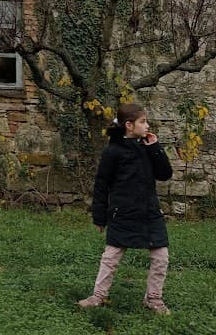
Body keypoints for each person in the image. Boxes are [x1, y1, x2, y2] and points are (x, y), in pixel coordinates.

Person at [78, 102, 173, 315]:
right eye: (143, 121)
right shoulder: (113, 152)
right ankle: (98, 296)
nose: (147, 125)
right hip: (123, 213)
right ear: (129, 125)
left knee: (161, 257)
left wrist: (155, 147)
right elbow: (101, 185)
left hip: (149, 212)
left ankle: (153, 299)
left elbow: (165, 174)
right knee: (111, 257)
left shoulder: (148, 147)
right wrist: (99, 218)